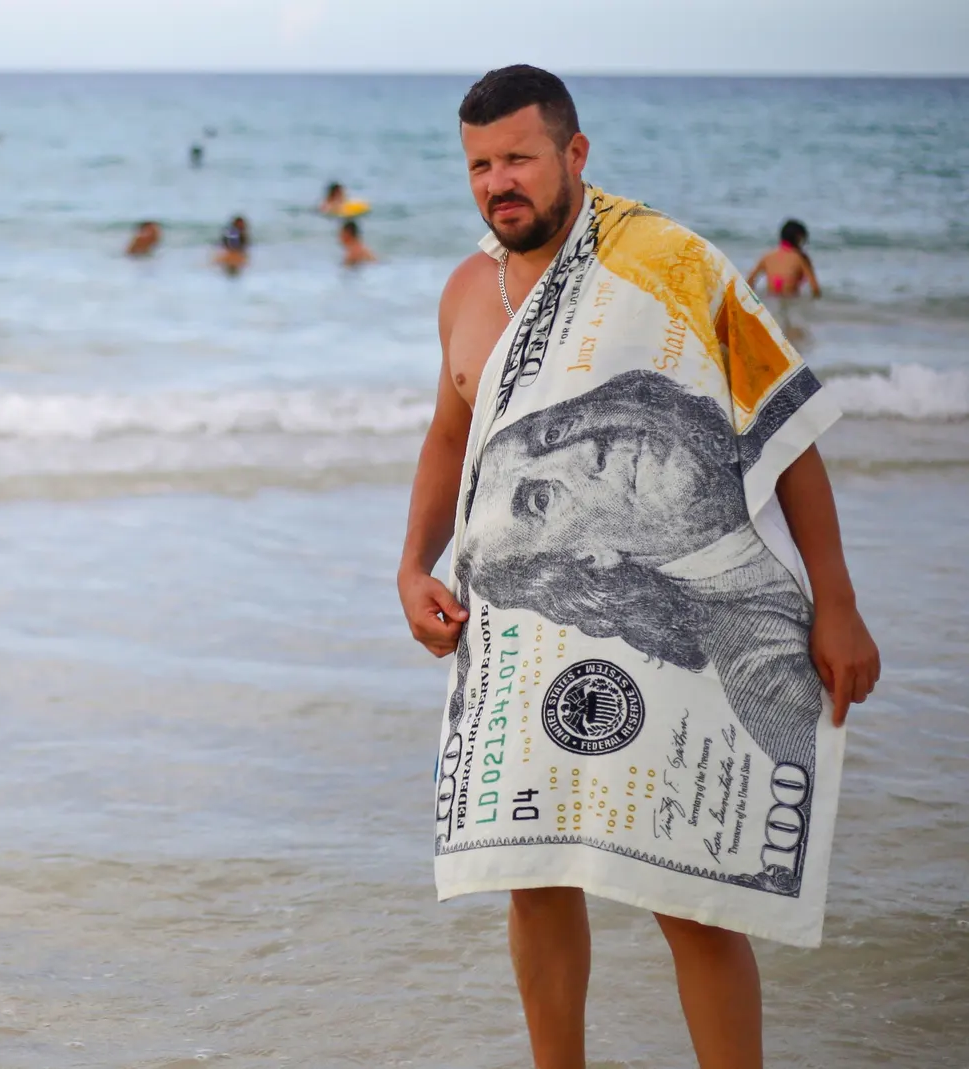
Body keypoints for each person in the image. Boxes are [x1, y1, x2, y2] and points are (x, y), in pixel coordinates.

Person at [395, 66, 880, 1069]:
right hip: (525, 622)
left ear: (575, 154)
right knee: (533, 873)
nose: (499, 183)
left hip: (665, 623)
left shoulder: (665, 263)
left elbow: (786, 435)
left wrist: (836, 601)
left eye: (519, 157)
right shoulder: (463, 291)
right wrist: (411, 565)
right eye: (479, 165)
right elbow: (451, 437)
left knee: (686, 887)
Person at [748, 219, 821, 300]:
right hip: (791, 300)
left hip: (770, 300)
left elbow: (749, 283)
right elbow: (815, 289)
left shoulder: (767, 256)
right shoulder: (801, 258)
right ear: (798, 238)